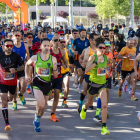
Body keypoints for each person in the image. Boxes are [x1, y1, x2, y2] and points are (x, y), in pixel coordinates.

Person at [25, 38, 58, 132]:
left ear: (50, 47)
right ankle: (37, 118)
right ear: (41, 47)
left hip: (47, 84)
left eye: (48, 46)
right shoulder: (35, 57)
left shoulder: (53, 59)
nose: (46, 47)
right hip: (37, 82)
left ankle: (37, 117)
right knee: (41, 103)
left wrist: (55, 69)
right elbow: (27, 64)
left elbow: (55, 75)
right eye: (45, 46)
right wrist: (27, 75)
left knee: (43, 106)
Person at [80, 37, 110, 135]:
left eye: (104, 48)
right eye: (100, 48)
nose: (102, 49)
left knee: (104, 105)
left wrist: (108, 73)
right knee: (89, 103)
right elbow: (87, 69)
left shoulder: (106, 58)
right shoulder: (93, 57)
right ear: (97, 48)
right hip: (92, 84)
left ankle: (104, 128)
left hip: (102, 85)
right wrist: (97, 62)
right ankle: (84, 108)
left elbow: (106, 68)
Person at [0, 39, 24, 131]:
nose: (9, 47)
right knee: (4, 101)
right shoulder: (0, 56)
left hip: (12, 82)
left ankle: (13, 99)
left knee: (10, 98)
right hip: (2, 82)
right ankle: (7, 124)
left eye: (11, 46)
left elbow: (22, 66)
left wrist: (16, 70)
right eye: (7, 46)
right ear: (3, 47)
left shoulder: (16, 56)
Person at [77, 32, 98, 113]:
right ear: (91, 40)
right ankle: (81, 103)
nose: (97, 40)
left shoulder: (100, 50)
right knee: (85, 91)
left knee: (97, 93)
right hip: (88, 74)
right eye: (95, 39)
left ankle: (98, 112)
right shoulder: (87, 50)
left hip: (97, 75)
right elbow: (81, 58)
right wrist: (81, 61)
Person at [50, 35, 68, 122]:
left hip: (59, 76)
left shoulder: (62, 51)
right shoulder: (48, 51)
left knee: (57, 95)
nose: (57, 42)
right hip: (49, 77)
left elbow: (65, 62)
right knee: (49, 97)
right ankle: (51, 92)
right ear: (52, 42)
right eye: (55, 40)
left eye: (58, 40)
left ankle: (53, 113)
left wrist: (65, 65)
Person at [12, 30, 29, 110]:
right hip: (13, 69)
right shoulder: (11, 46)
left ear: (21, 36)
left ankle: (21, 94)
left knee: (23, 86)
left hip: (21, 68)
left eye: (19, 35)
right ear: (13, 36)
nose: (17, 36)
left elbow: (28, 54)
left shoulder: (24, 45)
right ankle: (15, 102)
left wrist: (26, 59)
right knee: (14, 88)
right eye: (16, 35)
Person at [71, 29, 90, 93]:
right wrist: (73, 51)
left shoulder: (87, 41)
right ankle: (75, 80)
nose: (83, 34)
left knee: (83, 75)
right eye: (82, 33)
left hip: (85, 59)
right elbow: (71, 47)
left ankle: (79, 86)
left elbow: (89, 49)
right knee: (80, 72)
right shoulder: (76, 40)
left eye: (84, 32)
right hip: (77, 58)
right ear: (80, 33)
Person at [59, 37, 70, 107]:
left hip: (66, 71)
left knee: (67, 84)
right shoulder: (56, 51)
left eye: (64, 42)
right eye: (61, 42)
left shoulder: (66, 50)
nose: (63, 43)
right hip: (58, 72)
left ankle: (64, 101)